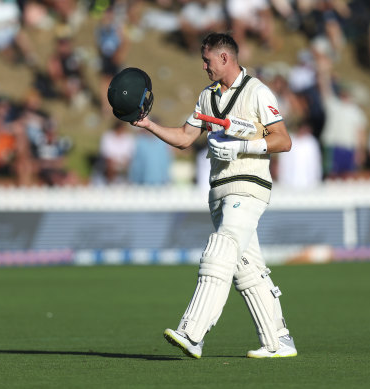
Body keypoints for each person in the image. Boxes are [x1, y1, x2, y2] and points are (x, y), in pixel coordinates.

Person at [129, 33, 297, 358]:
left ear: (224, 58)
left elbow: (283, 140)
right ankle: (278, 340)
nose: (203, 66)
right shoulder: (207, 97)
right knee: (246, 268)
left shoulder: (257, 92)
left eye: (207, 60)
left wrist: (242, 145)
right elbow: (183, 138)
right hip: (219, 191)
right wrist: (149, 124)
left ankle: (192, 332)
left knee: (219, 249)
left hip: (248, 187)